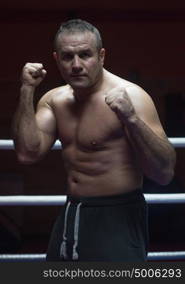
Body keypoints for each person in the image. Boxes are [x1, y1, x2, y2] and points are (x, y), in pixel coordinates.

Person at [12, 19, 176, 262]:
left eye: (85, 55)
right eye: (68, 57)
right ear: (57, 59)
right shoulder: (54, 100)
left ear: (101, 56)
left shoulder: (132, 96)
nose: (76, 65)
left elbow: (164, 172)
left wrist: (131, 119)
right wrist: (26, 89)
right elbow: (27, 153)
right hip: (72, 211)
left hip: (118, 215)